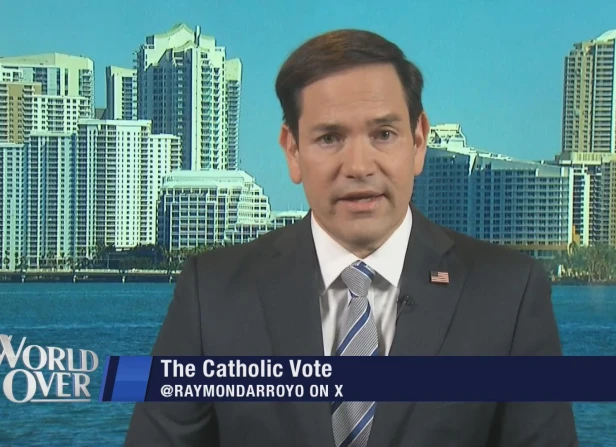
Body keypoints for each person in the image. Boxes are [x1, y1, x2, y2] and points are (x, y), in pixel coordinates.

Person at [125, 29, 578, 447]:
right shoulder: (212, 293)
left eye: (384, 134)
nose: (359, 166)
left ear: (418, 141)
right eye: (329, 138)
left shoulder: (509, 293)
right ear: (293, 150)